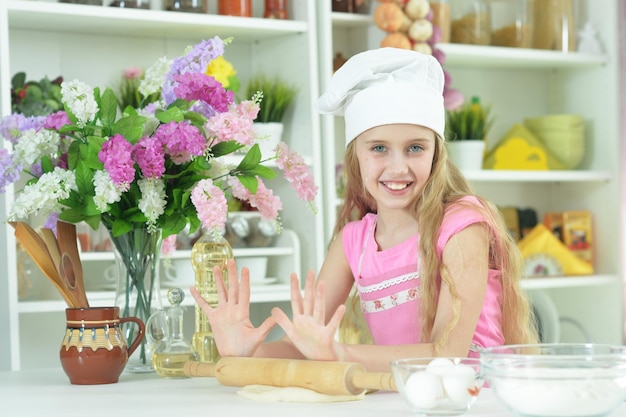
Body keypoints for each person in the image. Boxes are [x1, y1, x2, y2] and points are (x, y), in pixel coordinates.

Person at [191, 47, 539, 372]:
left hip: (480, 399)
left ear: (437, 153)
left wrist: (340, 354)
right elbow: (301, 349)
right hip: (404, 400)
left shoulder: (462, 226)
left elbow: (446, 354)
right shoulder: (353, 243)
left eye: (415, 147)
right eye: (379, 148)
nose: (398, 167)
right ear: (356, 156)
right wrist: (247, 351)